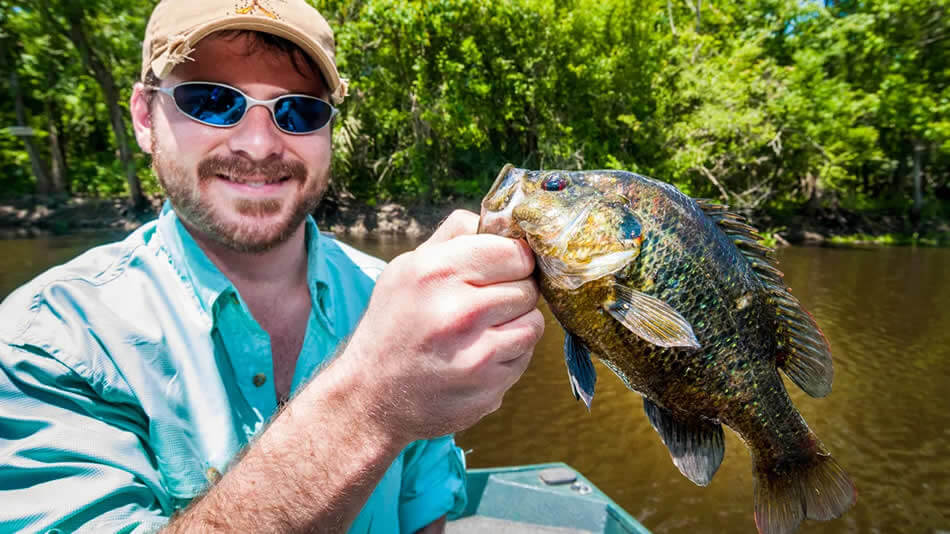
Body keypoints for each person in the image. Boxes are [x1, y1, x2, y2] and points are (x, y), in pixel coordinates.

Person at [0, 1, 544, 532]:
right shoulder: (46, 342)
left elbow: (421, 516)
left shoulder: (400, 301)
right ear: (145, 117)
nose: (258, 144)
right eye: (211, 101)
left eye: (297, 111)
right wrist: (372, 399)